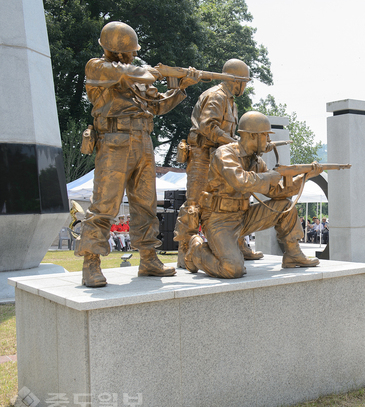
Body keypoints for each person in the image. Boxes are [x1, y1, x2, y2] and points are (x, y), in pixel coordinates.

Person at [75, 21, 200, 287]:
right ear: (117, 52)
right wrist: (155, 72)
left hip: (143, 141)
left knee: (145, 204)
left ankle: (148, 258)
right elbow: (128, 74)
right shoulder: (97, 67)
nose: (133, 54)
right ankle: (91, 263)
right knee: (105, 205)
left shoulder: (137, 76)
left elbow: (157, 106)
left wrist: (181, 87)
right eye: (130, 51)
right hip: (113, 140)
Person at [185, 111, 321, 278]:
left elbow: (277, 192)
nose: (269, 141)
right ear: (252, 136)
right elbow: (240, 181)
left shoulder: (257, 162)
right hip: (219, 219)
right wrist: (269, 176)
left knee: (285, 206)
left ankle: (293, 254)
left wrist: (304, 176)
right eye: (265, 135)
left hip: (243, 216)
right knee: (232, 269)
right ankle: (197, 251)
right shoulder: (225, 153)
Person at [174, 59, 255, 268]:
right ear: (236, 81)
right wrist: (236, 144)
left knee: (231, 200)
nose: (244, 86)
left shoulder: (231, 102)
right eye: (243, 82)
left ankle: (236, 244)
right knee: (194, 204)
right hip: (203, 156)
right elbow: (208, 127)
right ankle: (185, 252)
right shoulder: (216, 96)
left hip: (219, 158)